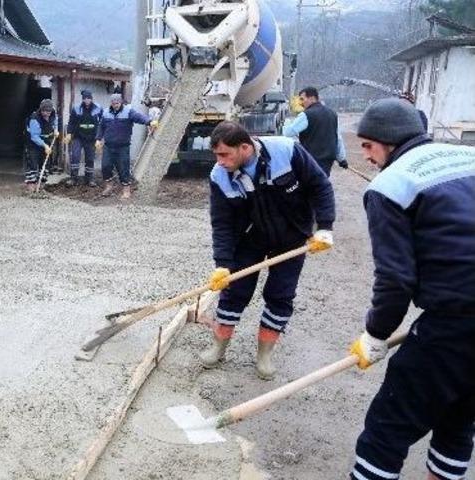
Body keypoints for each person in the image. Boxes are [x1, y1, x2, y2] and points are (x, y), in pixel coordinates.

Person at [347, 98, 474, 480]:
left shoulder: (390, 186)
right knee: (459, 417)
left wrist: (376, 334)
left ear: (389, 140)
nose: (366, 156)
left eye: (368, 145)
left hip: (455, 325)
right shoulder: (468, 157)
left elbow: (395, 280)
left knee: (387, 431)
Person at [202, 121, 335, 380]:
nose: (220, 161)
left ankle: (264, 355)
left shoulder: (286, 151)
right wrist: (223, 263)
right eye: (216, 155)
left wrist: (324, 227)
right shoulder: (219, 175)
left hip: (292, 237)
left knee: (280, 295)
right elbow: (222, 222)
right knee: (234, 290)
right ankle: (218, 347)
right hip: (250, 238)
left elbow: (320, 186)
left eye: (224, 154)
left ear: (245, 147)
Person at [95, 93, 157, 199]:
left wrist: (149, 122)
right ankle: (109, 186)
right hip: (108, 146)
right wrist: (98, 139)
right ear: (111, 103)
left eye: (117, 103)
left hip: (123, 146)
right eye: (113, 103)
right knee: (105, 166)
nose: (115, 105)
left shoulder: (128, 111)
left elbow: (139, 117)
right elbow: (101, 126)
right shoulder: (106, 112)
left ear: (121, 102)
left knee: (123, 168)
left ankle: (126, 190)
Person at [283, 87, 347, 177]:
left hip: (310, 160)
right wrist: (341, 159)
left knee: (309, 184)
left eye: (302, 99)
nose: (301, 102)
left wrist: (286, 121)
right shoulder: (332, 113)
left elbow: (288, 133)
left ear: (312, 98)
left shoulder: (306, 115)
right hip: (327, 161)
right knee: (322, 182)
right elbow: (338, 138)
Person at [64, 89, 102, 186]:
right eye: (85, 98)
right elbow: (71, 122)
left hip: (91, 138)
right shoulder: (76, 109)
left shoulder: (98, 109)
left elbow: (101, 124)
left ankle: (89, 179)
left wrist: (99, 138)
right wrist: (69, 134)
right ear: (82, 99)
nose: (87, 100)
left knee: (90, 158)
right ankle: (73, 178)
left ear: (91, 99)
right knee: (75, 156)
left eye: (89, 98)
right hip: (78, 137)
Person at [24, 99, 59, 191]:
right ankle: (31, 183)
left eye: (48, 112)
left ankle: (41, 182)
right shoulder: (34, 118)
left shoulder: (53, 114)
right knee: (32, 162)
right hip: (33, 143)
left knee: (45, 162)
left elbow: (55, 122)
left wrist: (55, 130)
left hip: (46, 140)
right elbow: (34, 136)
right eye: (44, 111)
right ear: (41, 109)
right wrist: (45, 145)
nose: (46, 114)